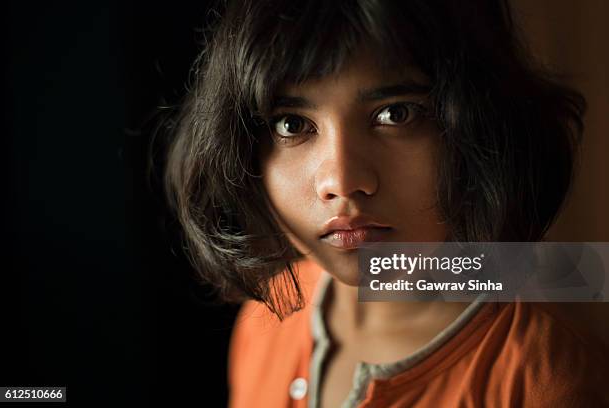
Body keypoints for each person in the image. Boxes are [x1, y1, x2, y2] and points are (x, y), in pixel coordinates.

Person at [164, 0, 609, 406]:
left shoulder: (545, 375)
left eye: (395, 114)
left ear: (479, 127)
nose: (342, 181)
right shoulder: (267, 319)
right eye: (292, 124)